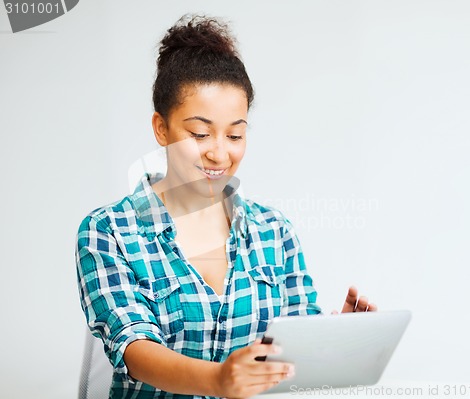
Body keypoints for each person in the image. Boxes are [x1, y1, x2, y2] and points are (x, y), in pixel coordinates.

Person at [75, 14, 377, 399]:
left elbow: (290, 352)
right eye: (200, 133)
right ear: (161, 128)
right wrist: (218, 380)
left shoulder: (273, 230)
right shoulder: (108, 231)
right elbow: (135, 349)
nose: (220, 153)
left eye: (235, 134)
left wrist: (331, 343)